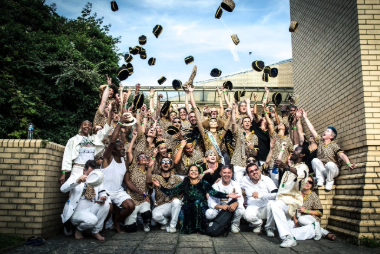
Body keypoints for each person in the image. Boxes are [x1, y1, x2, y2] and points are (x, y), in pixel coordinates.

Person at [151, 165, 240, 234]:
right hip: (187, 208)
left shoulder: (203, 183)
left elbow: (214, 193)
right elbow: (170, 192)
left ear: (198, 173)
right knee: (186, 213)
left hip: (201, 207)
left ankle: (199, 228)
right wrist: (159, 186)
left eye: (195, 170)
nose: (193, 172)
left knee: (198, 203)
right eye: (191, 170)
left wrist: (228, 195)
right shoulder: (185, 183)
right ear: (189, 173)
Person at [269, 145, 322, 248]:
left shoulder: (304, 167)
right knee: (288, 230)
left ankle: (288, 238)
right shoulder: (291, 166)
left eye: (296, 150)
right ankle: (312, 229)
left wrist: (286, 167)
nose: (293, 151)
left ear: (302, 155)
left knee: (275, 206)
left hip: (291, 201)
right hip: (283, 200)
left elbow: (301, 174)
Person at [60, 102, 113, 183]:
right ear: (81, 126)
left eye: (89, 125)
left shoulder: (94, 139)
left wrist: (110, 112)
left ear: (91, 127)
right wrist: (63, 174)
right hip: (77, 170)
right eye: (85, 124)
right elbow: (67, 156)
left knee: (89, 193)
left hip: (91, 170)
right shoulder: (73, 140)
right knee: (76, 193)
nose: (87, 126)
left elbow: (107, 128)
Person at [302, 110, 355, 190]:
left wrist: (348, 163)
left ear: (331, 136)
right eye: (325, 131)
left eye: (327, 131)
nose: (324, 132)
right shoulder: (320, 141)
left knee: (329, 164)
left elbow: (341, 155)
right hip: (323, 170)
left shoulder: (334, 145)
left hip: (333, 170)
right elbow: (312, 130)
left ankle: (329, 181)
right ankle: (320, 179)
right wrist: (305, 118)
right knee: (315, 160)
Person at [101, 114, 136, 233]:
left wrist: (138, 191)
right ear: (114, 150)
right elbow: (112, 142)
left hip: (118, 191)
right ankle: (100, 226)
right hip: (105, 191)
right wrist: (119, 123)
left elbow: (127, 181)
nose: (123, 149)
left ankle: (116, 223)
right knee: (108, 208)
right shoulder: (107, 158)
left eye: (123, 147)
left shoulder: (124, 162)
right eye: (120, 147)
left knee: (130, 206)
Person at [60, 160, 109, 241]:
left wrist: (103, 197)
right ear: (84, 170)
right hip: (77, 211)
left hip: (91, 208)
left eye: (92, 174)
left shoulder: (96, 177)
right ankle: (79, 229)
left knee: (106, 205)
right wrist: (77, 181)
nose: (90, 176)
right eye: (89, 174)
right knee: (93, 220)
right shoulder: (75, 176)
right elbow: (63, 189)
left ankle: (95, 231)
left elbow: (102, 191)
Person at [147, 155, 183, 233]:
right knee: (154, 216)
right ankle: (166, 222)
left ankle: (172, 226)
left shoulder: (177, 178)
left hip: (173, 205)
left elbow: (184, 190)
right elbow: (148, 181)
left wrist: (179, 198)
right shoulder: (156, 177)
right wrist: (150, 167)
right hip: (161, 206)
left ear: (171, 166)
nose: (165, 164)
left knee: (176, 202)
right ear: (160, 166)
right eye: (163, 162)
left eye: (168, 162)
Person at [240, 163, 277, 236]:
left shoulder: (267, 179)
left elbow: (275, 195)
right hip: (253, 206)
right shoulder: (244, 180)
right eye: (251, 171)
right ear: (248, 174)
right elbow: (235, 187)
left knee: (273, 205)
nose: (254, 172)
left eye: (256, 170)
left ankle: (269, 228)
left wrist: (261, 195)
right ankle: (258, 224)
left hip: (266, 205)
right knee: (247, 215)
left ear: (259, 170)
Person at [294, 176, 336, 241]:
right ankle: (325, 233)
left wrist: (306, 211)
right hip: (298, 218)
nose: (307, 183)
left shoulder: (313, 195)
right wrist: (295, 221)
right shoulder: (297, 194)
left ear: (312, 185)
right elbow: (292, 208)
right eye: (305, 181)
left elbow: (320, 212)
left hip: (311, 217)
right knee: (290, 225)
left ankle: (317, 226)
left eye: (310, 182)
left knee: (301, 219)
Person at [206, 165, 245, 233]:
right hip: (219, 210)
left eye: (229, 173)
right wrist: (221, 206)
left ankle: (235, 225)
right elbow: (210, 202)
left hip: (231, 209)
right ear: (220, 173)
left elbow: (240, 199)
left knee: (241, 210)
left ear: (232, 174)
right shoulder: (215, 186)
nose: (227, 175)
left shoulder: (236, 185)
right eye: (224, 172)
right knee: (209, 213)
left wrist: (236, 204)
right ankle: (216, 223)